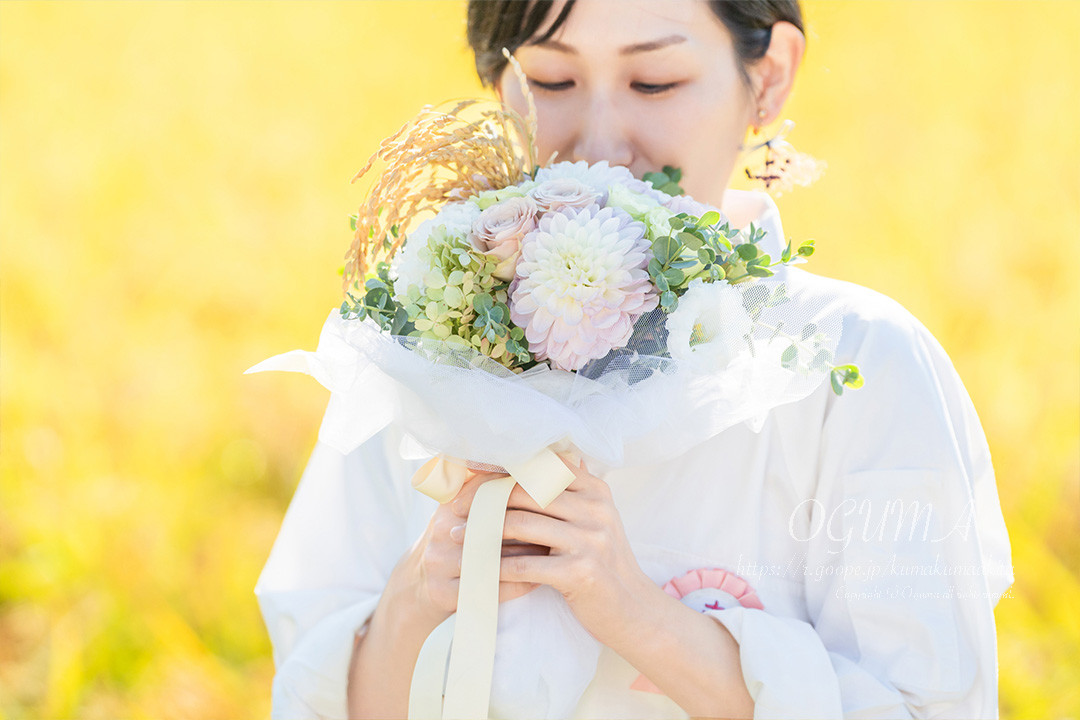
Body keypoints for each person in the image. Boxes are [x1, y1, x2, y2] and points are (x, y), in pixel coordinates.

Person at [254, 1, 1014, 718]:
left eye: (655, 81)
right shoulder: (423, 350)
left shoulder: (858, 364)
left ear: (769, 76)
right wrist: (417, 597)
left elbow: (930, 702)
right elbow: (312, 691)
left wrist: (638, 615)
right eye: (552, 79)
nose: (601, 144)